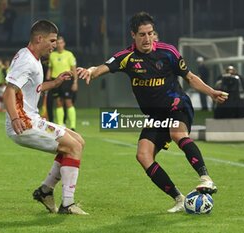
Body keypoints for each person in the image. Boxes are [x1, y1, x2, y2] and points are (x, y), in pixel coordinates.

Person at [77, 12, 228, 213]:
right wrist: (90, 71)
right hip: (156, 116)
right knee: (143, 155)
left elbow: (190, 77)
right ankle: (179, 199)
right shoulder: (127, 57)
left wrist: (211, 92)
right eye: (142, 34)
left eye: (150, 33)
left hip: (177, 106)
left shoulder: (168, 52)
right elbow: (103, 67)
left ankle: (206, 178)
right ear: (133, 35)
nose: (148, 39)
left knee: (177, 133)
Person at [3, 19, 88, 215]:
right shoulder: (27, 61)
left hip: (31, 119)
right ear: (39, 38)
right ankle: (67, 204)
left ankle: (45, 191)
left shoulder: (32, 58)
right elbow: (9, 92)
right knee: (73, 147)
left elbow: (35, 87)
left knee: (78, 141)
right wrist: (16, 118)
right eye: (52, 40)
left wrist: (54, 83)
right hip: (24, 123)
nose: (54, 44)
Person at [46, 36, 78, 131]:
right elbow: (50, 68)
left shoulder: (69, 55)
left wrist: (75, 82)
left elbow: (74, 69)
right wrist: (48, 79)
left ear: (64, 44)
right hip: (55, 80)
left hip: (67, 81)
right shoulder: (52, 55)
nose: (59, 45)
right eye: (58, 43)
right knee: (58, 103)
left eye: (61, 43)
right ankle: (60, 125)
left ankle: (73, 126)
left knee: (68, 102)